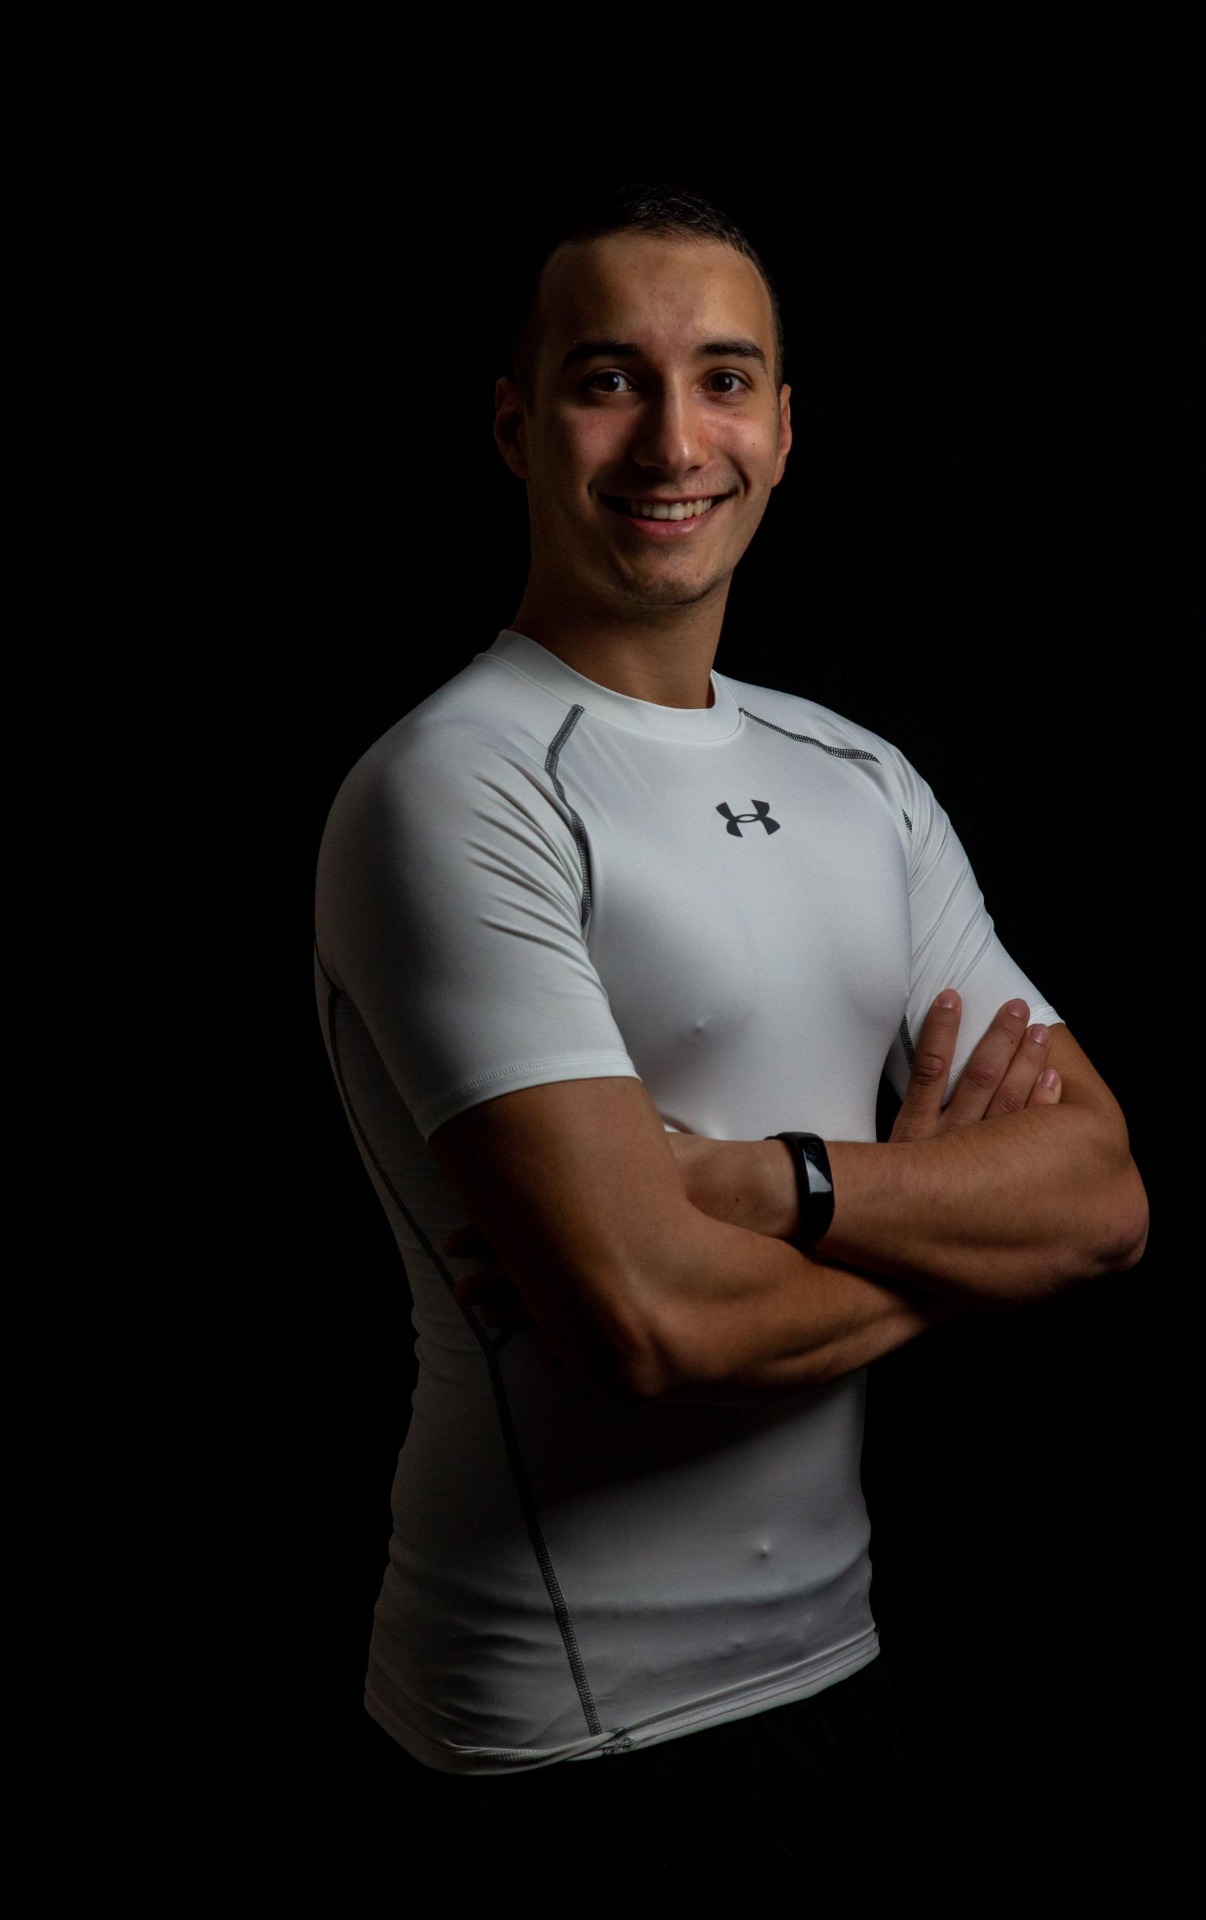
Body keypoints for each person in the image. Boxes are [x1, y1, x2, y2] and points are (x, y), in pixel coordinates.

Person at [314, 185, 1148, 1912]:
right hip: (560, 1739)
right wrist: (965, 1241)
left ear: (781, 429)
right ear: (516, 425)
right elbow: (647, 1323)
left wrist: (765, 1185)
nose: (673, 440)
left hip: (841, 1674)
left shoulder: (862, 778)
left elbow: (1105, 1195)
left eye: (724, 380)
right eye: (608, 379)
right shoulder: (456, 786)